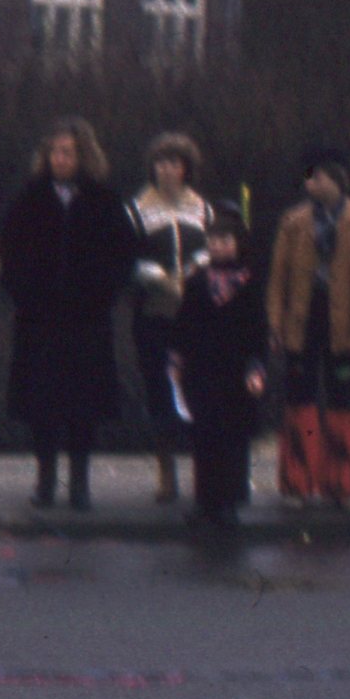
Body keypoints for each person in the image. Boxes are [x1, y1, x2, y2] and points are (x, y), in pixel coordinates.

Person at [0, 117, 137, 511]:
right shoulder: (29, 199)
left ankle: (79, 482)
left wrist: (99, 295)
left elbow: (122, 256)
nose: (60, 159)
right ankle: (45, 480)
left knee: (83, 406)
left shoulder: (104, 201)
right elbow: (8, 253)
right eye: (54, 152)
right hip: (39, 319)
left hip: (85, 320)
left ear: (84, 156)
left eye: (68, 153)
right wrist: (25, 295)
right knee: (41, 405)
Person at [267, 145, 350, 507]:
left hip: (342, 323)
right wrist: (276, 323)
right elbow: (279, 277)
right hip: (303, 319)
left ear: (335, 180)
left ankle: (341, 483)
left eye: (317, 177)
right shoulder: (293, 221)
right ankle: (298, 481)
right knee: (300, 400)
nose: (310, 184)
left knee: (341, 402)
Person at [173, 205, 267, 530]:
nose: (218, 247)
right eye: (213, 241)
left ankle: (229, 502)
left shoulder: (249, 282)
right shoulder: (198, 280)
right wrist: (178, 359)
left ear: (238, 244)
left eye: (225, 241)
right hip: (202, 370)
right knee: (204, 438)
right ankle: (205, 501)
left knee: (233, 440)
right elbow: (184, 324)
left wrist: (256, 368)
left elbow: (258, 330)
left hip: (236, 372)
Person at [129, 132, 211, 503]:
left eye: (174, 163)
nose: (167, 170)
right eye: (161, 163)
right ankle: (166, 471)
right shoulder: (137, 209)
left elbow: (213, 250)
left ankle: (202, 471)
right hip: (154, 312)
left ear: (186, 168)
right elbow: (128, 258)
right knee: (160, 389)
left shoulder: (202, 209)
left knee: (197, 390)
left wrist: (194, 272)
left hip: (195, 316)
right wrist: (160, 278)